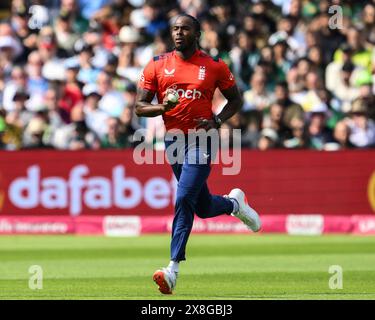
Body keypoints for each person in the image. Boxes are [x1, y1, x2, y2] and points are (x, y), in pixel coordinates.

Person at [135, 13, 261, 295]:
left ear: (198, 33)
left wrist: (216, 120)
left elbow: (236, 99)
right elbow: (139, 107)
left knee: (182, 197)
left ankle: (172, 269)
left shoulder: (214, 66)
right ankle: (234, 205)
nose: (179, 33)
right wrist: (163, 109)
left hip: (203, 140)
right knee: (201, 207)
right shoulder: (157, 65)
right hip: (173, 142)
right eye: (175, 29)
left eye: (185, 29)